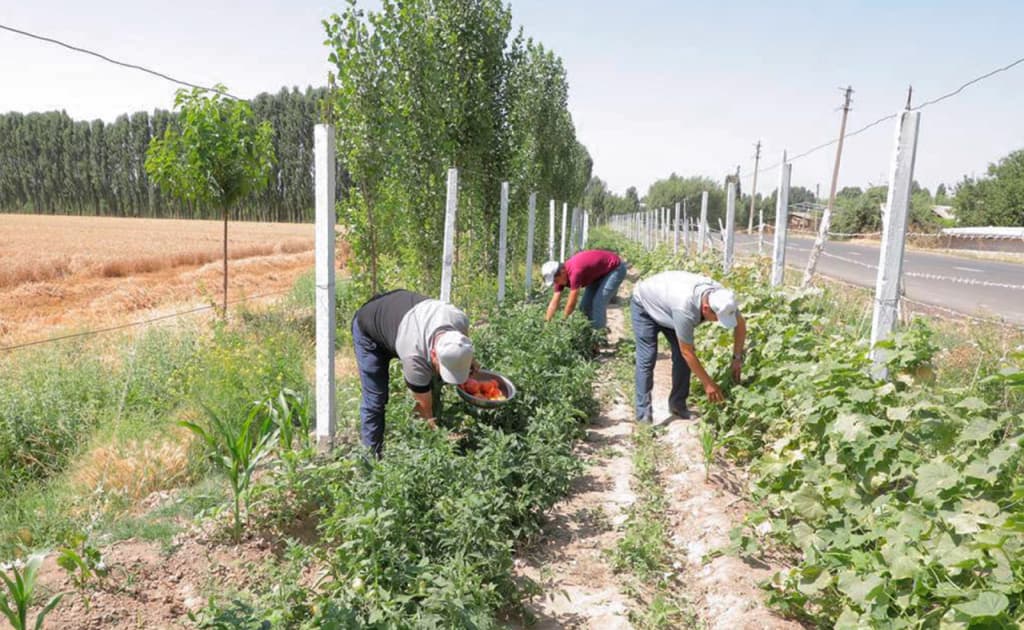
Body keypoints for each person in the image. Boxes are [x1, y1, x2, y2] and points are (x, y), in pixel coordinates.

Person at [351, 289, 477, 456]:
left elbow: (463, 348)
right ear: (433, 355)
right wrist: (441, 438)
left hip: (401, 316)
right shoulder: (414, 357)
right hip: (369, 328)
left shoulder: (459, 319)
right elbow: (424, 414)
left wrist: (471, 364)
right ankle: (370, 461)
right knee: (376, 399)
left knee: (430, 381)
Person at [631, 270, 746, 423]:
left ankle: (678, 404)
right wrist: (708, 384)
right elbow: (688, 352)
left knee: (681, 357)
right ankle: (643, 412)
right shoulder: (685, 309)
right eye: (717, 319)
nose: (718, 321)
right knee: (648, 357)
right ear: (705, 309)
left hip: (668, 303)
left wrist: (737, 358)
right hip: (645, 304)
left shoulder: (723, 300)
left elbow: (740, 325)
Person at [541, 249, 626, 329]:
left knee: (598, 303)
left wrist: (563, 321)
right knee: (584, 307)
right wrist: (546, 323)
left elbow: (572, 303)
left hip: (615, 269)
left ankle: (599, 335)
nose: (555, 283)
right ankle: (588, 332)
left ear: (562, 272)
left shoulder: (575, 272)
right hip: (597, 275)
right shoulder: (560, 277)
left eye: (555, 280)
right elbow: (554, 302)